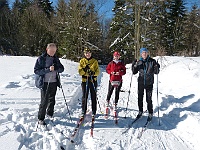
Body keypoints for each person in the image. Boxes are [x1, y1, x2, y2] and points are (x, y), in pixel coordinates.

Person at [34, 43, 64, 125]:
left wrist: (57, 68)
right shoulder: (41, 59)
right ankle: (41, 118)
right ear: (47, 49)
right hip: (44, 83)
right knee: (44, 101)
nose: (52, 53)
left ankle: (50, 113)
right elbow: (36, 71)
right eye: (51, 51)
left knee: (52, 99)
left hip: (54, 82)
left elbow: (62, 69)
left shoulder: (56, 59)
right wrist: (48, 69)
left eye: (54, 51)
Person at [132, 47, 160, 121]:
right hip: (141, 82)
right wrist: (134, 65)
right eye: (143, 53)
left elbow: (156, 72)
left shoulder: (152, 61)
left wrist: (157, 67)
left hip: (149, 83)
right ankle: (140, 111)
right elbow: (134, 72)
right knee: (140, 98)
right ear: (141, 54)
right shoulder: (139, 62)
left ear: (147, 53)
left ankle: (150, 112)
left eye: (145, 52)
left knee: (149, 99)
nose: (144, 54)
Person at [78, 47, 100, 119]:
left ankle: (94, 110)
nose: (87, 54)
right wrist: (85, 71)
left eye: (89, 53)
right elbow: (80, 71)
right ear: (84, 54)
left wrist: (93, 73)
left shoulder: (94, 61)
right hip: (85, 81)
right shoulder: (82, 61)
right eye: (86, 53)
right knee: (84, 96)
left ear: (91, 53)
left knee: (93, 96)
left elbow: (98, 71)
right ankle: (83, 111)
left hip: (93, 81)